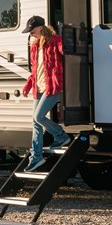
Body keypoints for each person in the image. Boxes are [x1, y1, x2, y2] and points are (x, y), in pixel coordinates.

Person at [21, 15, 71, 172]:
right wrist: (28, 86)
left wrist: (67, 46)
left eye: (32, 31)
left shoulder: (55, 40)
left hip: (52, 87)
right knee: (35, 122)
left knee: (38, 117)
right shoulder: (35, 46)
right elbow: (35, 71)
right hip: (38, 88)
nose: (31, 34)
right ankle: (36, 157)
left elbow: (65, 50)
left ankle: (61, 136)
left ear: (40, 28)